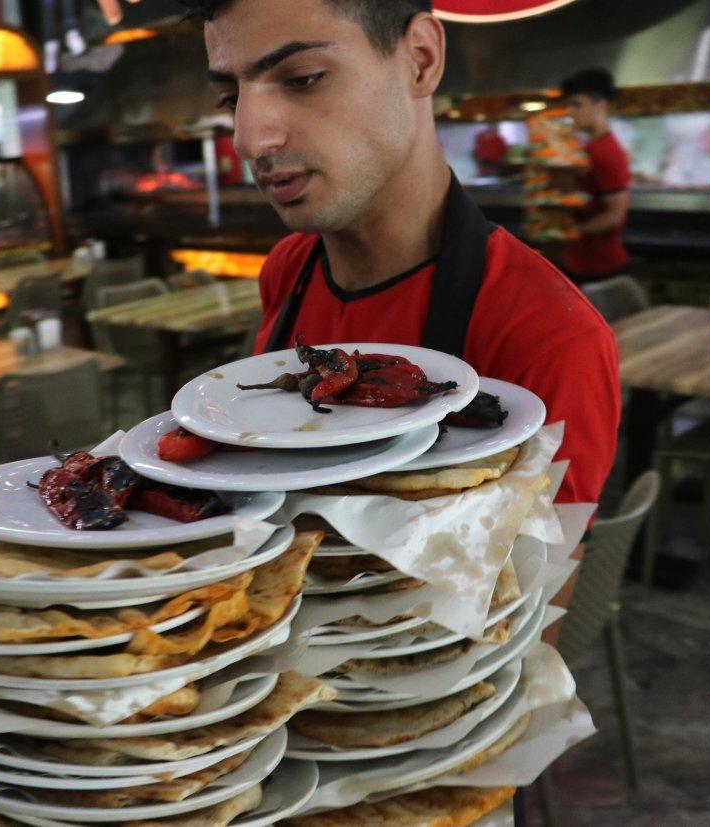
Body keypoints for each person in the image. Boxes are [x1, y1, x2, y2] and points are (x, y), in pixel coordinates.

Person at [186, 0, 619, 512]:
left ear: (420, 59)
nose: (249, 139)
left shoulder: (547, 332)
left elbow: (544, 578)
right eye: (230, 98)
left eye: (303, 78)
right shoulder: (289, 267)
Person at [559, 68, 632, 282]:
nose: (569, 112)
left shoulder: (606, 152)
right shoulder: (590, 148)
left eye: (577, 104)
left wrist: (570, 232)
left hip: (600, 267)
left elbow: (615, 215)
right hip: (581, 262)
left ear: (600, 106)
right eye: (568, 105)